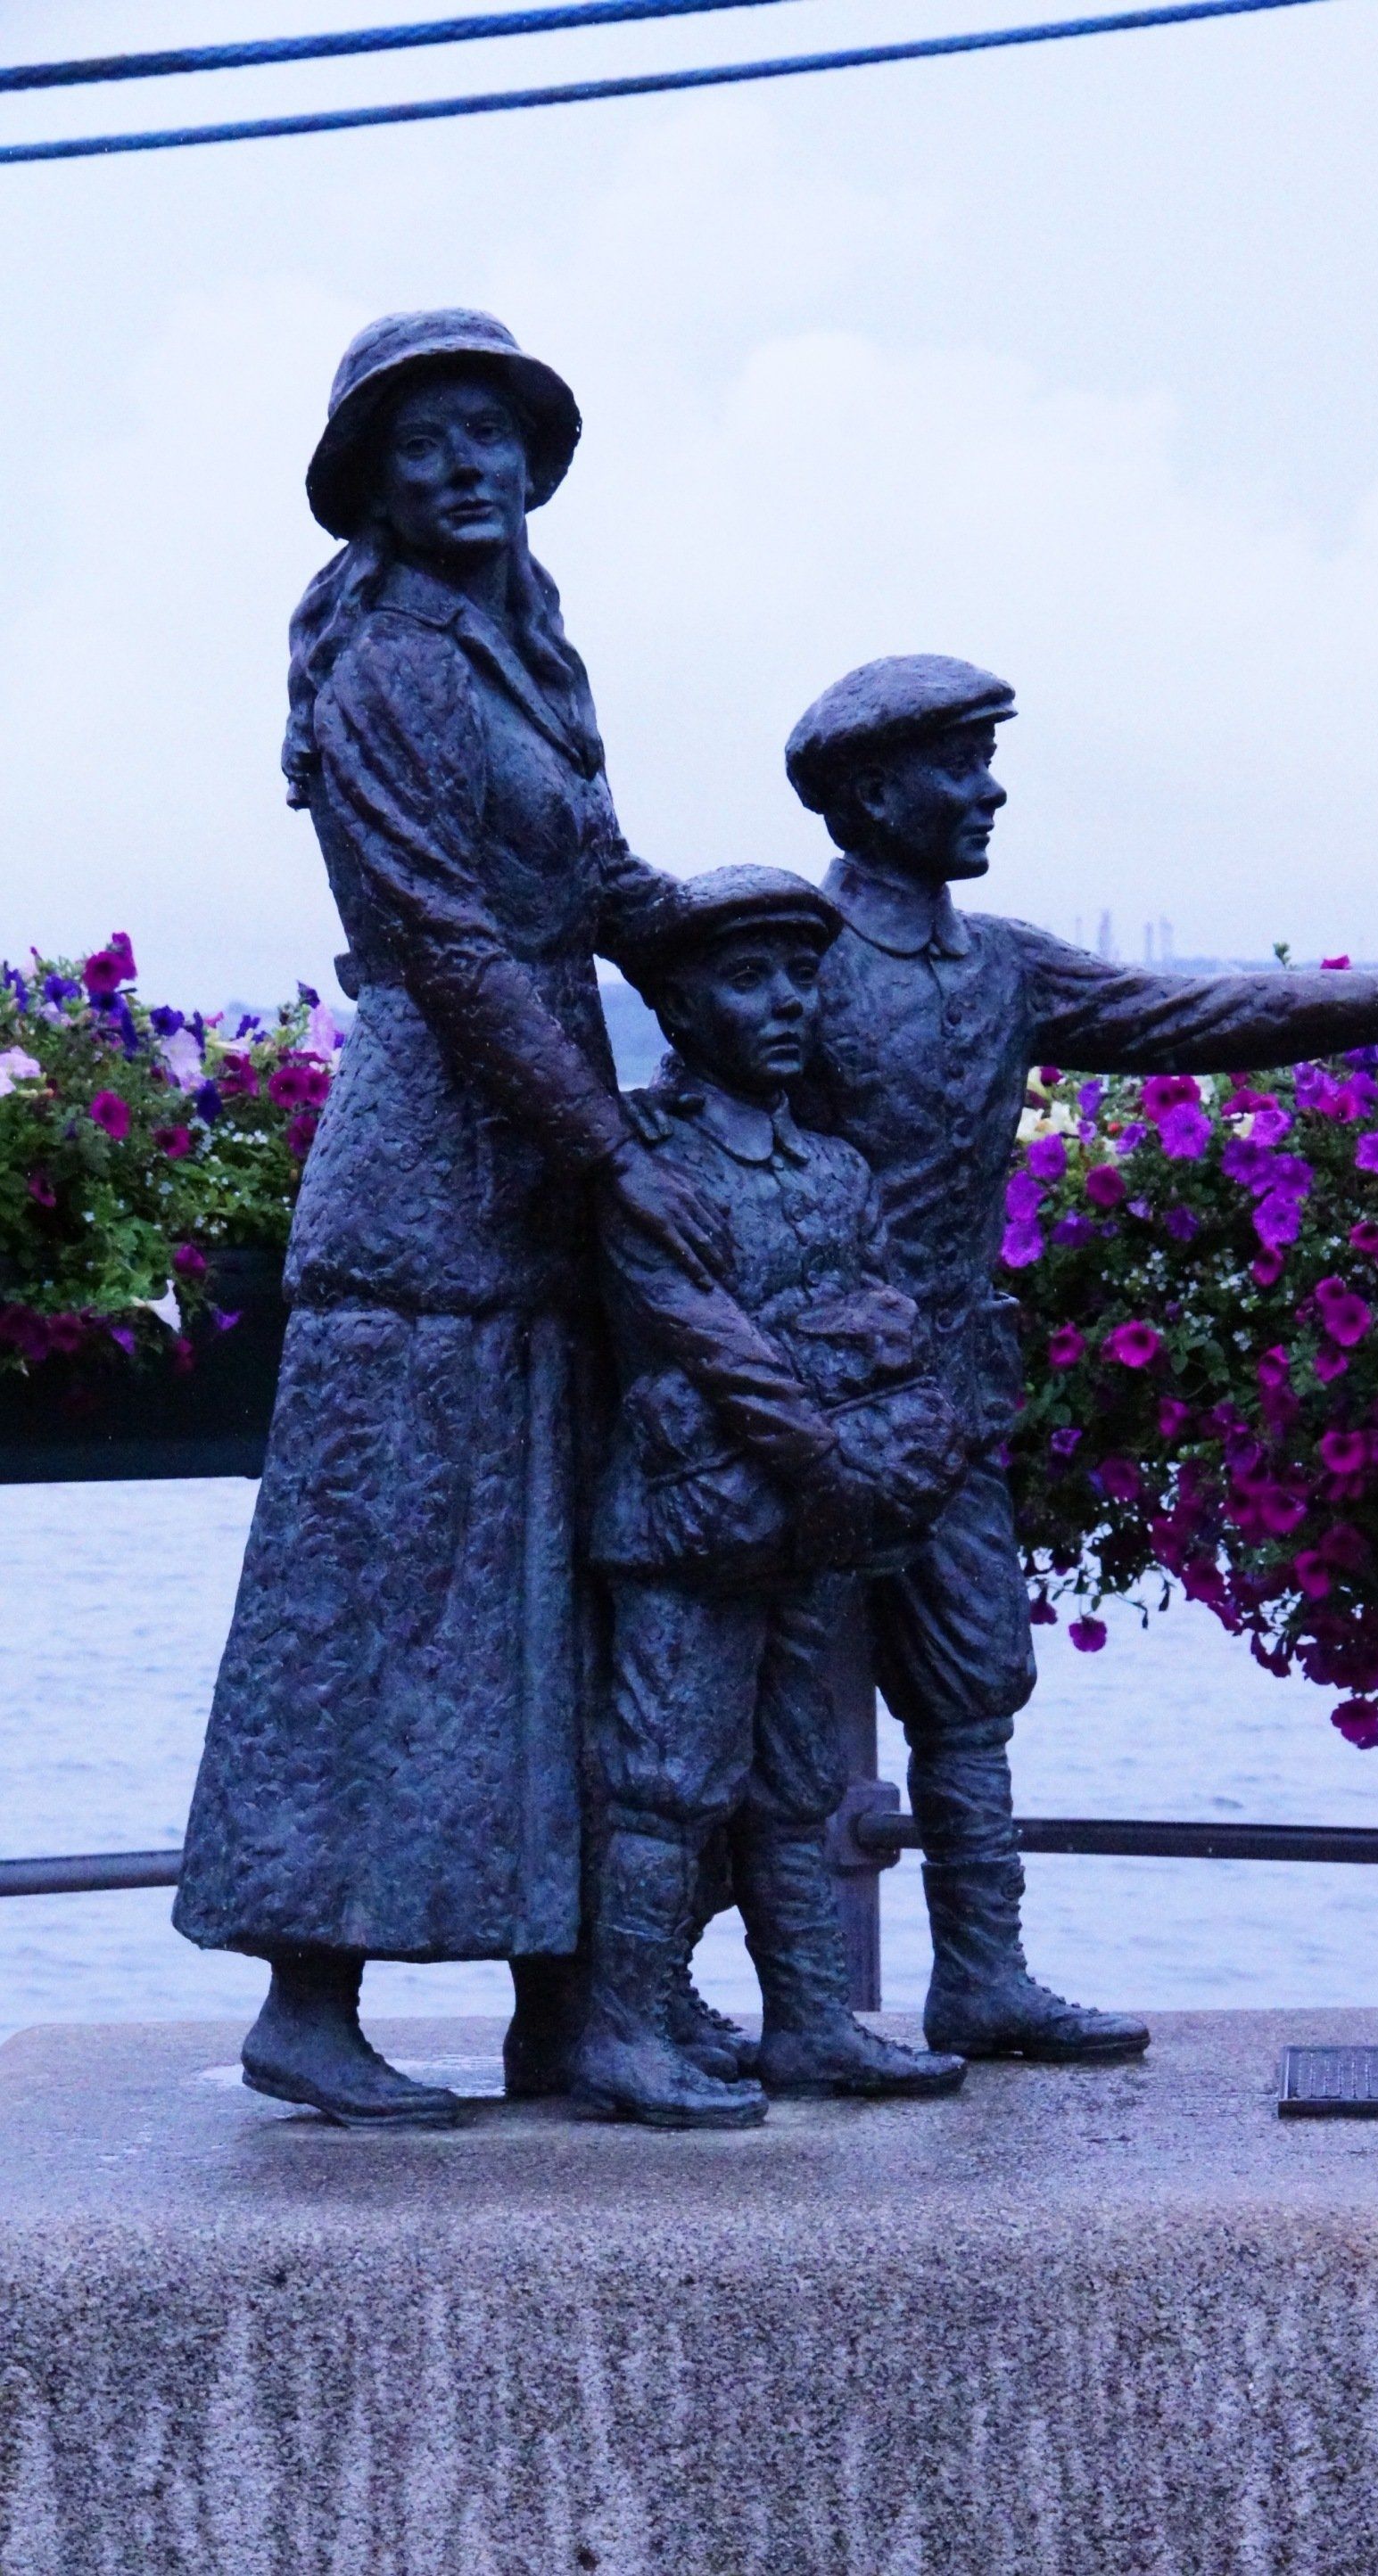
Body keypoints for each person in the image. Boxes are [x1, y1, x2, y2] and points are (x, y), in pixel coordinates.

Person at [782, 653, 1378, 2064]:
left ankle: (983, 1976)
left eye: (986, 755)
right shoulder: (791, 957)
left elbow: (1186, 1015)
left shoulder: (1001, 961)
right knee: (769, 1698)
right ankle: (785, 2009)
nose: (990, 786)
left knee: (974, 1685)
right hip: (805, 1395)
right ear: (868, 791)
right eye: (958, 763)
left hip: (950, 1390)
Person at [173, 310, 714, 2127]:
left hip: (532, 1156)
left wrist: (794, 951)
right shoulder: (393, 667)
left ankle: (570, 2002)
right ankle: (305, 1997)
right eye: (426, 441)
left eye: (492, 431)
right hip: (433, 1164)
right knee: (379, 1587)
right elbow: (457, 951)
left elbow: (609, 887)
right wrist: (616, 1151)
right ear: (371, 488)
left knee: (543, 1582)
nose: (467, 463)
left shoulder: (529, 660)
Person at [577, 867, 970, 2126]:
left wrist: (857, 1455)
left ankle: (808, 2019)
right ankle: (623, 2028)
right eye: (749, 980)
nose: (787, 1002)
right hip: (695, 1519)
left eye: (801, 975)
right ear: (681, 1010)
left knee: (799, 1777)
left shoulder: (835, 1167)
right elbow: (701, 1334)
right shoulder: (643, 1158)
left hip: (812, 1524)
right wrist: (827, 1447)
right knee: (668, 1779)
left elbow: (882, 1316)